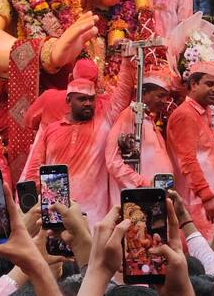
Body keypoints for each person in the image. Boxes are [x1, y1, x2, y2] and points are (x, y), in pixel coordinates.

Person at [22, 59, 135, 226]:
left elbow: (123, 91)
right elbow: (34, 170)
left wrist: (127, 59)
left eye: (91, 99)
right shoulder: (52, 129)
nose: (88, 103)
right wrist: (33, 208)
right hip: (56, 213)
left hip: (92, 217)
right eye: (82, 99)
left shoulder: (104, 120)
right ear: (68, 101)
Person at [167, 60, 214, 240]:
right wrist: (207, 196)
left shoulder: (203, 112)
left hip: (207, 203)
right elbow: (188, 161)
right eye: (209, 84)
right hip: (196, 203)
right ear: (193, 84)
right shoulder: (185, 115)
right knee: (202, 259)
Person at [105, 66, 174, 198]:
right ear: (143, 93)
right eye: (160, 96)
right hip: (139, 198)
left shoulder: (148, 119)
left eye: (166, 97)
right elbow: (113, 161)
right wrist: (142, 184)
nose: (165, 102)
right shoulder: (130, 116)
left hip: (154, 197)